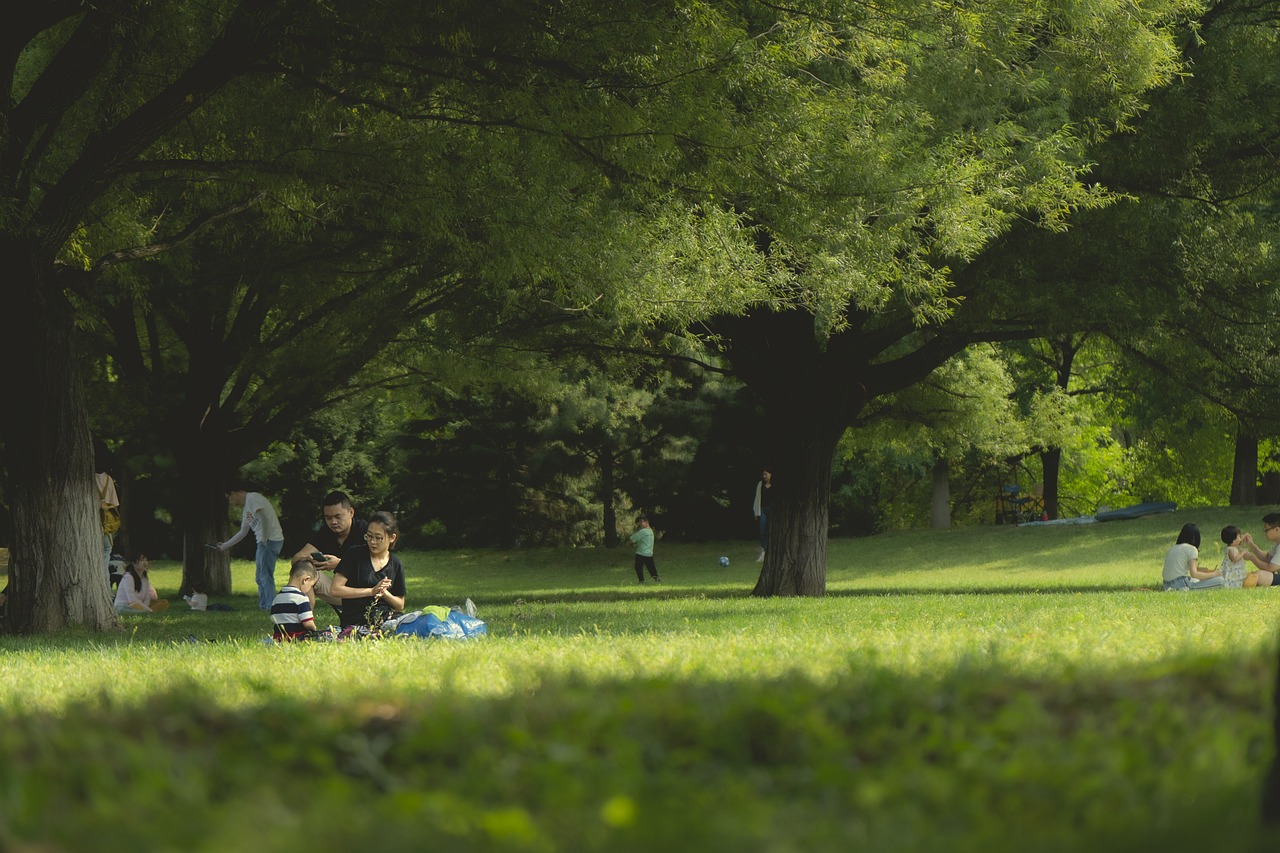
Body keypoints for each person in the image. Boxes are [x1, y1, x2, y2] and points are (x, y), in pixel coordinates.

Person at [289, 491, 366, 613]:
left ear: (351, 512)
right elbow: (297, 558)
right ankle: (304, 623)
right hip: (339, 590)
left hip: (368, 592)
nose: (333, 522)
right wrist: (310, 561)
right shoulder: (326, 533)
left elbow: (376, 566)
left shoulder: (366, 532)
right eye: (328, 518)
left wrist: (341, 564)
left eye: (337, 516)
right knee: (303, 572)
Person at [210, 485, 285, 611]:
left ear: (234, 493)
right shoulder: (246, 511)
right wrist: (224, 546)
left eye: (229, 498)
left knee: (266, 576)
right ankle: (263, 606)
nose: (229, 502)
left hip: (270, 541)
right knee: (259, 577)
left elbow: (264, 517)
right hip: (262, 543)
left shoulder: (253, 497)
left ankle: (271, 606)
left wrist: (265, 538)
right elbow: (242, 533)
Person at [329, 510, 406, 627]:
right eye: (369, 536)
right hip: (356, 620)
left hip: (385, 618)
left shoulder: (396, 564)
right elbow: (335, 589)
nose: (372, 542)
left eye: (378, 538)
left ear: (392, 538)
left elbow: (400, 605)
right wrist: (371, 591)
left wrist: (384, 593)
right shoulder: (354, 554)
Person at [1161, 523, 1224, 591]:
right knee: (1220, 581)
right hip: (1181, 584)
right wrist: (1214, 574)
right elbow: (1194, 573)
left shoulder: (1173, 548)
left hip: (1166, 584)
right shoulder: (1192, 549)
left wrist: (1209, 571)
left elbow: (1192, 569)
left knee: (1195, 580)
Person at [271, 561, 320, 641]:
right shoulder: (301, 598)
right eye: (311, 585)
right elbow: (308, 623)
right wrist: (315, 630)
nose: (310, 589)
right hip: (297, 637)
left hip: (278, 638)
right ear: (305, 580)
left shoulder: (277, 598)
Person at [95, 441, 121, 580]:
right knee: (105, 555)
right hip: (105, 527)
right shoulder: (108, 479)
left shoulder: (86, 478)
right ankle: (105, 590)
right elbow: (114, 504)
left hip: (90, 526)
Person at [1237, 512, 1280, 587]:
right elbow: (1267, 558)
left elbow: (1270, 568)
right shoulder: (1278, 544)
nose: (1265, 532)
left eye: (1266, 529)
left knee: (1260, 575)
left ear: (1277, 530)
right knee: (1258, 574)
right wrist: (1251, 544)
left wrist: (1251, 557)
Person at [629, 514, 660, 584]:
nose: (640, 524)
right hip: (649, 553)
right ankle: (657, 579)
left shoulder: (642, 531)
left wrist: (628, 544)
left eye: (641, 522)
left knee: (638, 567)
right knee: (651, 567)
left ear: (647, 522)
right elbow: (644, 541)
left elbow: (632, 540)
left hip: (641, 553)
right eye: (639, 522)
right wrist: (636, 544)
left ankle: (641, 581)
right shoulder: (650, 531)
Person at [752, 467, 773, 562]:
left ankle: (772, 550)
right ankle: (764, 551)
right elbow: (757, 498)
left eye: (766, 474)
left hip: (772, 510)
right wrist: (756, 512)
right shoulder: (760, 485)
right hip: (763, 510)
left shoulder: (775, 485)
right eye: (763, 474)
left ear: (770, 474)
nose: (764, 476)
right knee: (762, 529)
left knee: (772, 530)